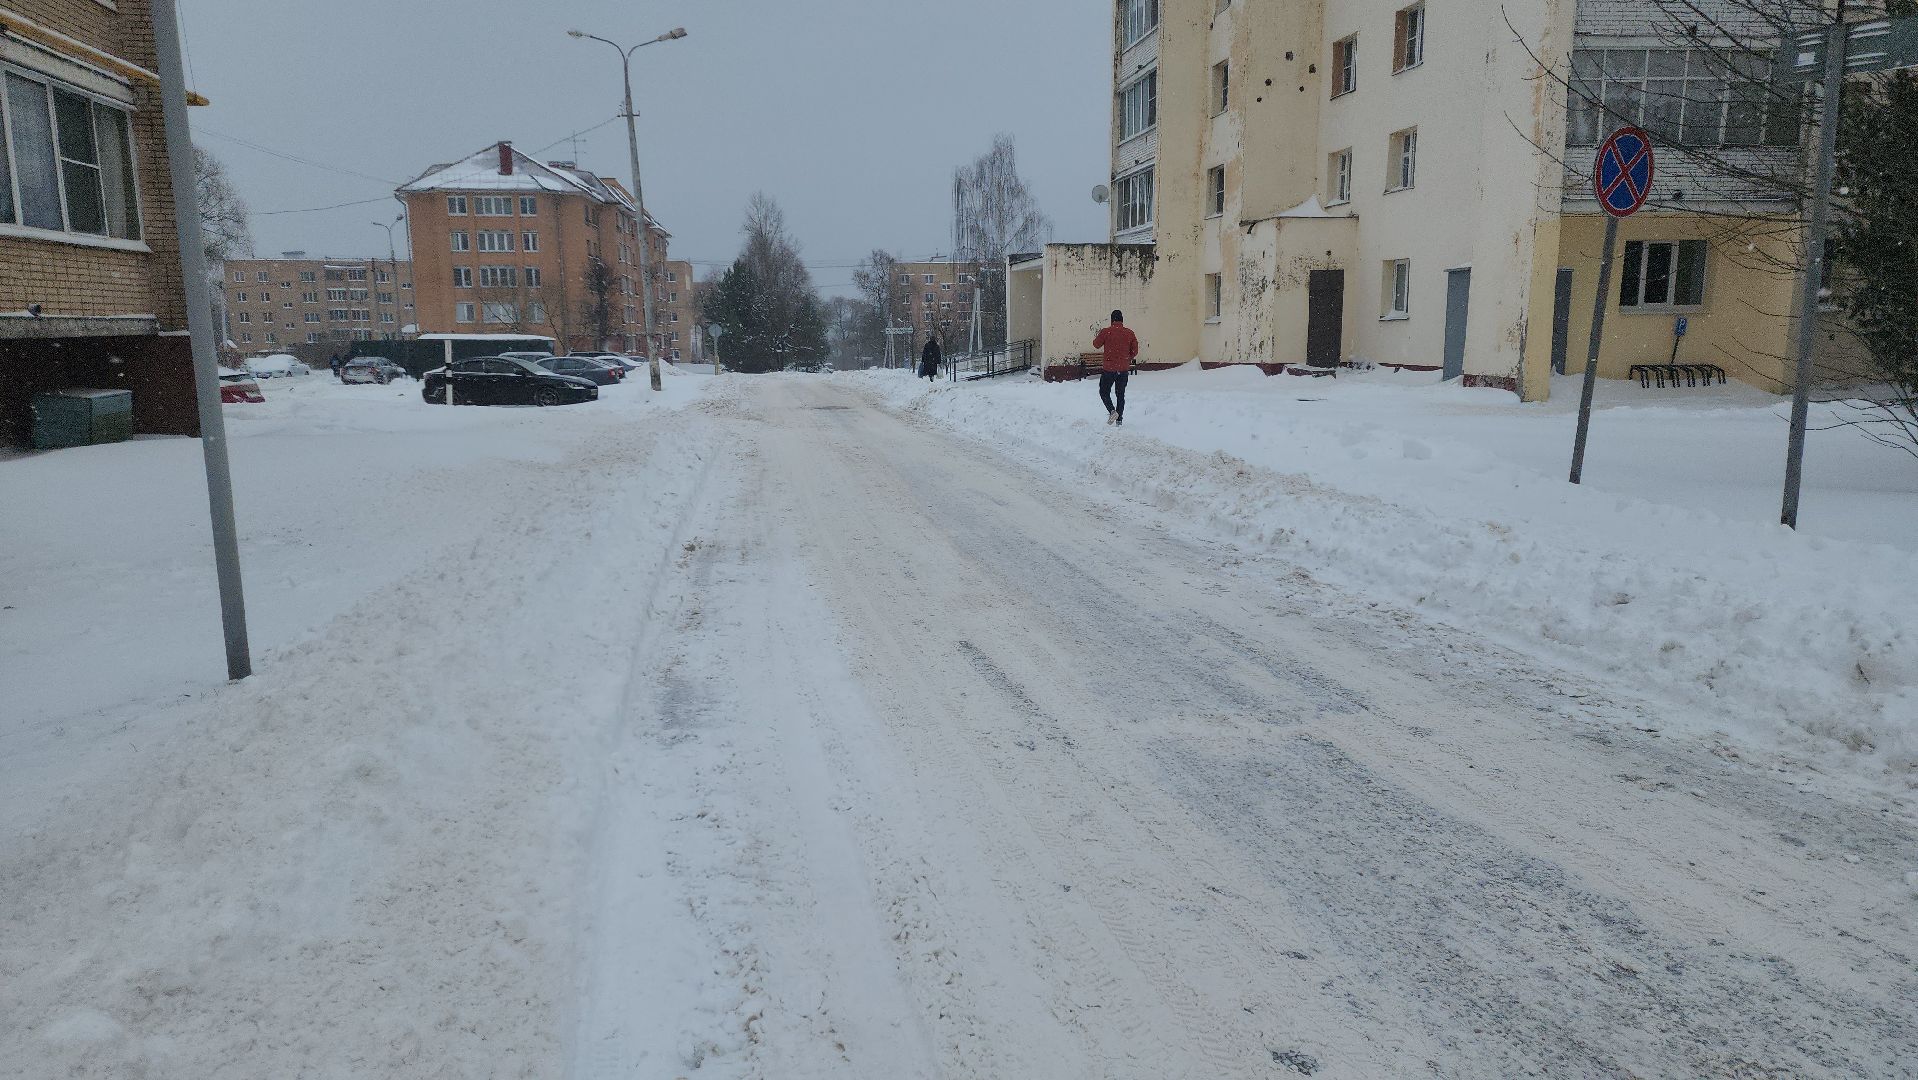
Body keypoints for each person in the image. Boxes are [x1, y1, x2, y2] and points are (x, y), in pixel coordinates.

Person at [1091, 309, 1139, 425]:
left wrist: (1099, 334)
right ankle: (1119, 421)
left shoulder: (1106, 332)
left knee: (1104, 392)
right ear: (1122, 320)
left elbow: (1096, 345)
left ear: (1112, 320)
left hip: (1109, 369)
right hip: (1123, 370)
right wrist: (1127, 358)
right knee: (1120, 394)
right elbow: (1135, 351)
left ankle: (1112, 411)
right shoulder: (1129, 333)